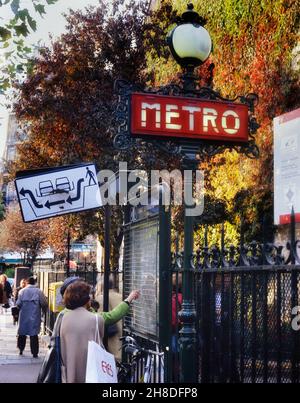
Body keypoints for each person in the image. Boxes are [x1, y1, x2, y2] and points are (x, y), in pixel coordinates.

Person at [59, 280, 139, 383]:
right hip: (91, 368)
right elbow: (111, 317)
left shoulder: (62, 317)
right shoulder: (96, 319)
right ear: (86, 300)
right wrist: (129, 299)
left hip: (68, 367)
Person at [16, 277, 48, 357]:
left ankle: (21, 349)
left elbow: (18, 303)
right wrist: (44, 310)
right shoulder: (38, 291)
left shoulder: (22, 291)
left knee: (22, 333)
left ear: (27, 283)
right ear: (34, 283)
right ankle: (34, 353)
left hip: (23, 316)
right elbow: (44, 303)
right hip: (34, 316)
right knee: (33, 335)